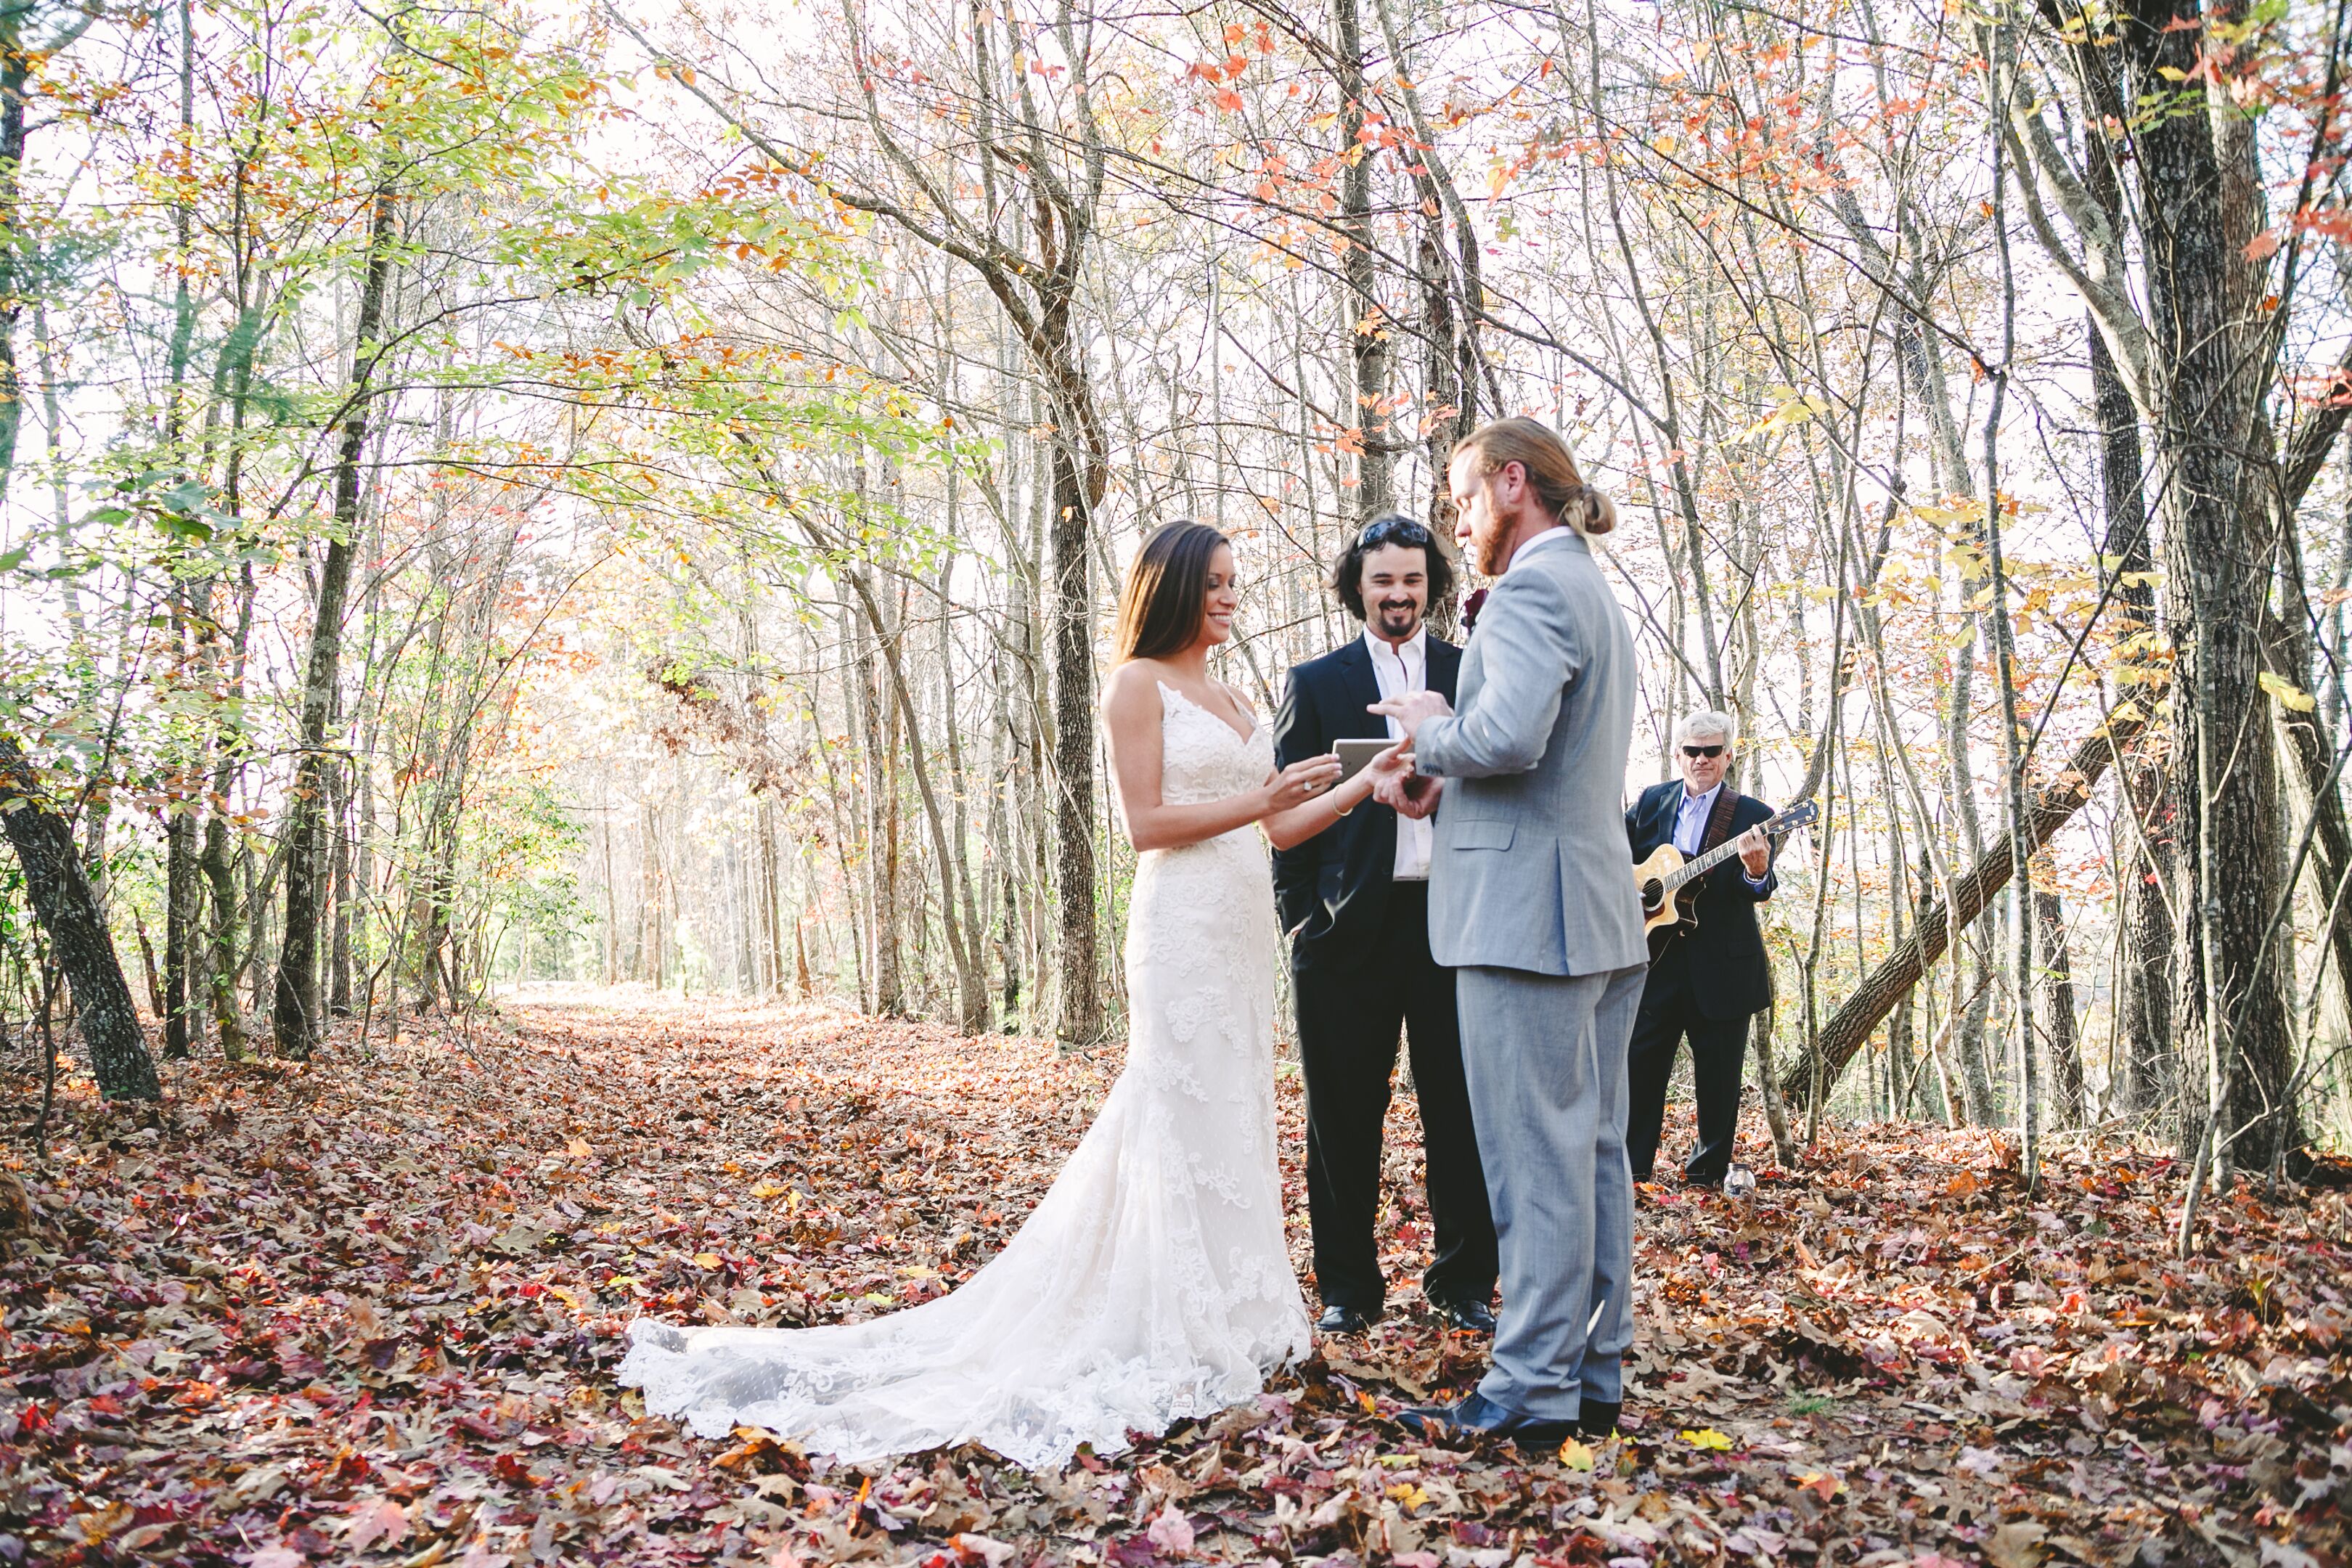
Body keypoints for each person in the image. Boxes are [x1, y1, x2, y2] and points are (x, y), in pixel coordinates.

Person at [618, 521, 1351, 1470]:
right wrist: (1260, 803)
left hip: (1242, 927)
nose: (1228, 597)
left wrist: (1359, 785)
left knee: (1237, 1113)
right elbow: (1145, 825)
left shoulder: (1235, 692)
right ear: (1170, 588)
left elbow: (1283, 829)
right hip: (1179, 929)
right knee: (1179, 1111)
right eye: (1211, 583)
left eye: (1232, 583)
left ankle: (1238, 1309)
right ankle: (1169, 1314)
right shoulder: (1139, 684)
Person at [1368, 417, 1647, 1447]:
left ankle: (1530, 1387)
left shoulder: (1531, 587)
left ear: (1512, 482)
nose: (1458, 516)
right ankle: (1595, 1369)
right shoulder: (1588, 586)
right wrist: (1449, 771)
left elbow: (1510, 736)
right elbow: (1546, 749)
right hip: (1594, 913)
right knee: (1594, 1155)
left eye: (1463, 494)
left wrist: (1424, 736)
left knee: (1536, 1161)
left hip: (1528, 921)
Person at [1268, 515, 1499, 1339]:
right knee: (1341, 1118)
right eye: (1381, 581)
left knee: (1461, 1112)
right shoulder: (1315, 680)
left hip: (1453, 926)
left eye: (1410, 580)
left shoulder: (1472, 676)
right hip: (1345, 934)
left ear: (1430, 585)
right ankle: (1347, 1289)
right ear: (1356, 588)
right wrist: (1300, 918)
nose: (1397, 595)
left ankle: (1466, 1281)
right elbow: (1288, 805)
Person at [1622, 712, 1776, 1189]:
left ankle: (1707, 1175)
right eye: (1693, 750)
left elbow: (1760, 886)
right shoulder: (1650, 802)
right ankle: (1632, 1172)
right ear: (1678, 755)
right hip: (1656, 960)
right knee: (1640, 1070)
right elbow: (1615, 855)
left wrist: (1755, 869)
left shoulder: (1753, 815)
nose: (1703, 760)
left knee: (1719, 1080)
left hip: (1723, 966)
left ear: (1729, 756)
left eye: (1713, 751)